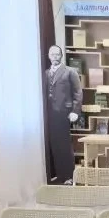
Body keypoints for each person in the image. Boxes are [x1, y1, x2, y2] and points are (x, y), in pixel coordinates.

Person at [45, 45, 83, 184]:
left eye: (57, 54)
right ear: (49, 56)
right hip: (50, 114)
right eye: (52, 54)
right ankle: (59, 175)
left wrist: (75, 111)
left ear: (61, 56)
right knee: (54, 145)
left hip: (64, 113)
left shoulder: (70, 72)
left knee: (65, 145)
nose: (55, 57)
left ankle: (69, 176)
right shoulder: (46, 73)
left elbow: (78, 92)